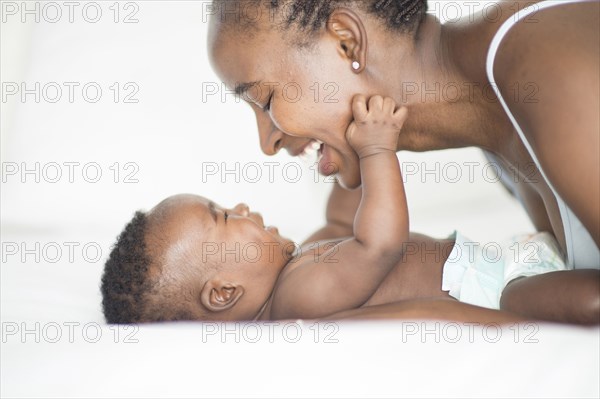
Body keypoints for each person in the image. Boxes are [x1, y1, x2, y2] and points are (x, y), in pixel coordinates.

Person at [206, 0, 600, 318]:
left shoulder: (550, 70)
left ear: (347, 43)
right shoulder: (497, 121)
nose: (267, 143)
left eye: (266, 100)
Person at [101, 96, 597, 324]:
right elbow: (378, 244)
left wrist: (342, 157)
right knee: (567, 301)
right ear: (225, 291)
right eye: (225, 217)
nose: (243, 205)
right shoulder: (300, 297)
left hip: (500, 261)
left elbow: (344, 221)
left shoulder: (301, 268)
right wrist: (379, 150)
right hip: (498, 291)